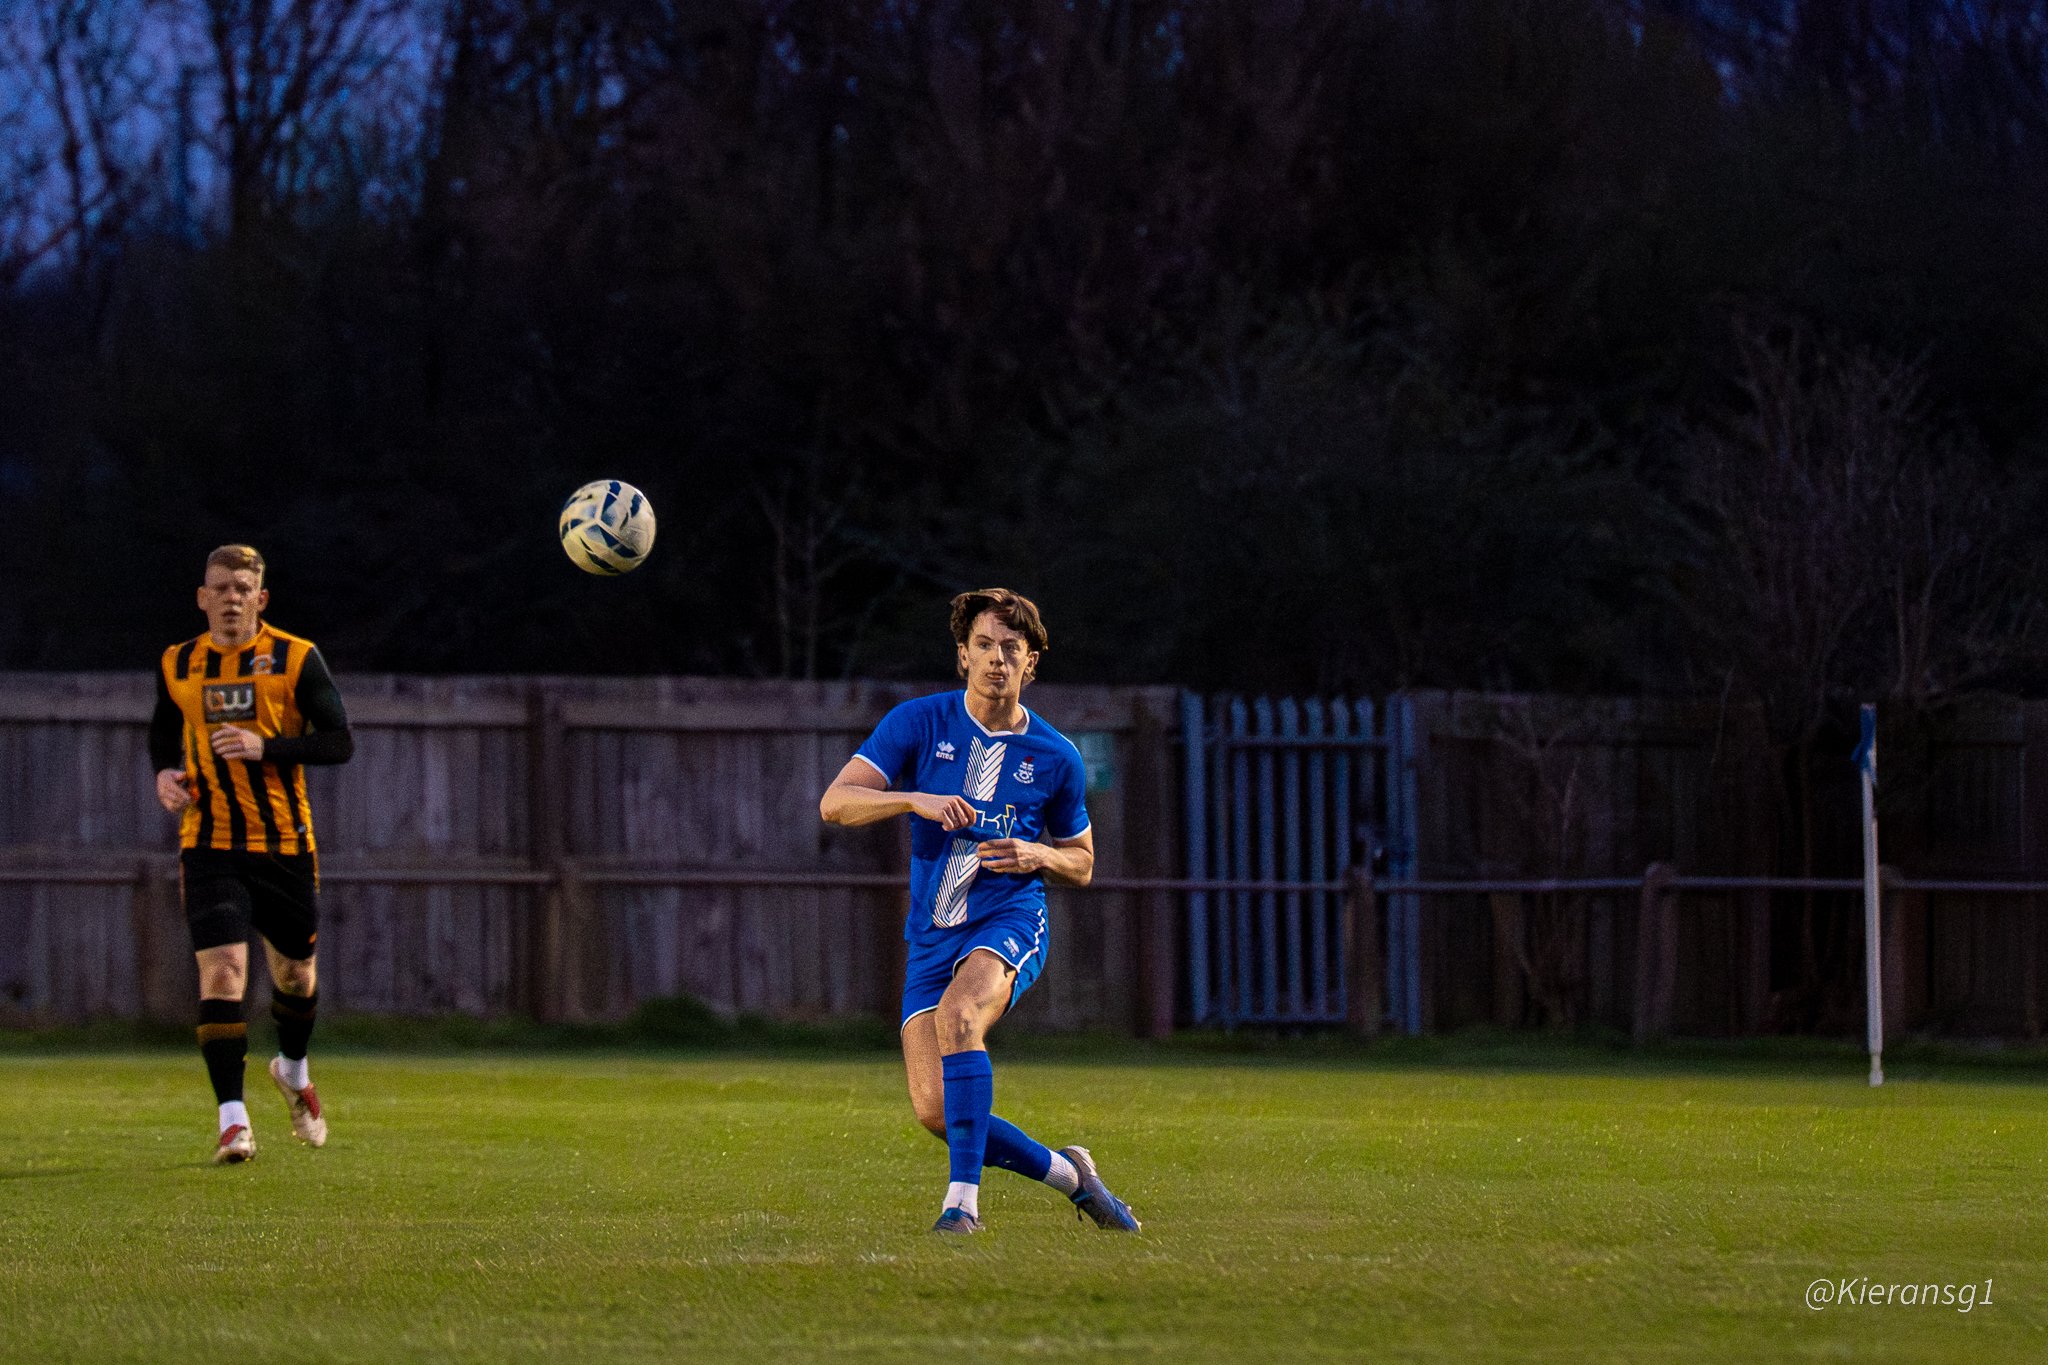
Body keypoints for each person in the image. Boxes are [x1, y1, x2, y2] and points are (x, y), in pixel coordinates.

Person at [820, 588, 1141, 1234]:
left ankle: (961, 1206)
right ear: (962, 655)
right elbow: (836, 802)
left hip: (1010, 920)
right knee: (937, 1109)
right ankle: (1071, 1174)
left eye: (1012, 649)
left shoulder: (1056, 757)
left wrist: (1035, 852)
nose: (998, 659)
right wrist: (916, 800)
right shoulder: (919, 723)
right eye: (986, 645)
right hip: (933, 933)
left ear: (1031, 666)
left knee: (960, 1014)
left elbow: (1082, 862)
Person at [149, 545, 355, 1163]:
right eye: (221, 587)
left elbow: (339, 742)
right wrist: (165, 772)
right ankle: (233, 1122)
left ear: (261, 599)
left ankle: (293, 1071)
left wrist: (267, 747)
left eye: (244, 587)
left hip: (285, 844)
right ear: (202, 597)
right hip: (209, 843)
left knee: (295, 976)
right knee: (223, 974)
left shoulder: (295, 658)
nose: (232, 597)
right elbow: (164, 725)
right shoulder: (179, 661)